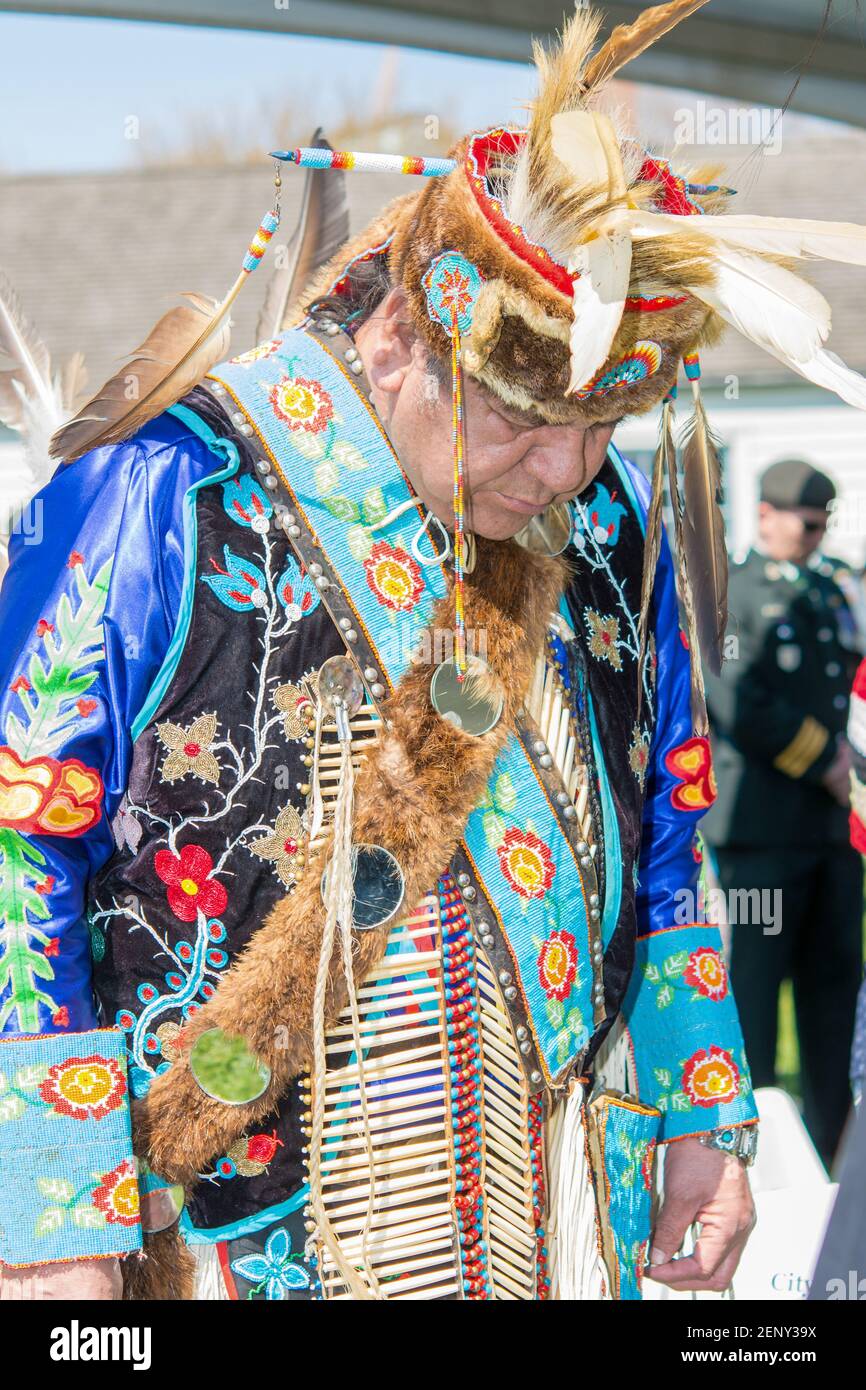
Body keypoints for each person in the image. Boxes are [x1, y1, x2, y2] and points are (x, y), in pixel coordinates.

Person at [3, 0, 866, 1301]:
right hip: (236, 1235)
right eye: (521, 421)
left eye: (599, 428)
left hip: (555, 1204)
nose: (565, 468)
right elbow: (22, 842)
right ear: (400, 341)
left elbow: (671, 817)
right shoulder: (169, 489)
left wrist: (706, 1115)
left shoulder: (605, 512)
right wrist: (51, 1212)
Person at [702, 459, 863, 1169]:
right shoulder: (731, 592)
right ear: (766, 514)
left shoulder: (830, 591)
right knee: (755, 1009)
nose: (816, 534)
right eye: (807, 522)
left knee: (834, 1008)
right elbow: (731, 695)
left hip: (829, 839)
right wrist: (824, 759)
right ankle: (751, 1170)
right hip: (758, 836)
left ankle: (835, 1163)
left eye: (824, 523)